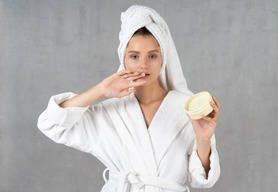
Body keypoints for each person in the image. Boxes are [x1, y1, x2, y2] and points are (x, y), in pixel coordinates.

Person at [37, 5, 221, 192]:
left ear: (163, 59)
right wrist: (100, 90)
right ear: (123, 58)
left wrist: (203, 138)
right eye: (134, 56)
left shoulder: (185, 109)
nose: (143, 65)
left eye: (152, 56)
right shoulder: (109, 112)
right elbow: (50, 124)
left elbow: (202, 181)